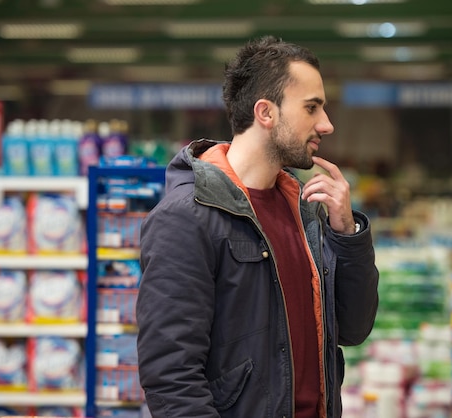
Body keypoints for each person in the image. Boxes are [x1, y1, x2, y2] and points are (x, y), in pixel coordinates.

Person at [136, 35, 379, 418]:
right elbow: (171, 376)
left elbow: (353, 328)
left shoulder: (306, 212)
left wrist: (347, 234)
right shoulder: (186, 217)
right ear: (266, 113)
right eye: (312, 108)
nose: (327, 125)